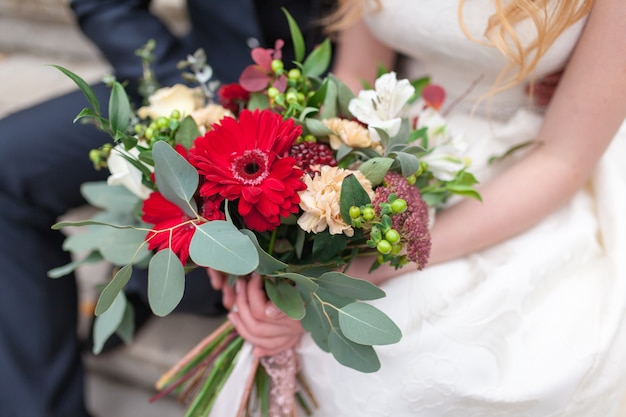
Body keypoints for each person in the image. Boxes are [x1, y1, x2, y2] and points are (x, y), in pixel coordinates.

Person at [213, 0, 626, 415]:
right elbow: (357, 76)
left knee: (423, 362)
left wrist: (368, 266)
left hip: (525, 169)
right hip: (392, 143)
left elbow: (561, 160)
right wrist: (283, 231)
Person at [0, 1, 336, 416]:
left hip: (325, 103)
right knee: (7, 165)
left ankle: (157, 276)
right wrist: (185, 87)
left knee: (232, 247)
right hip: (193, 71)